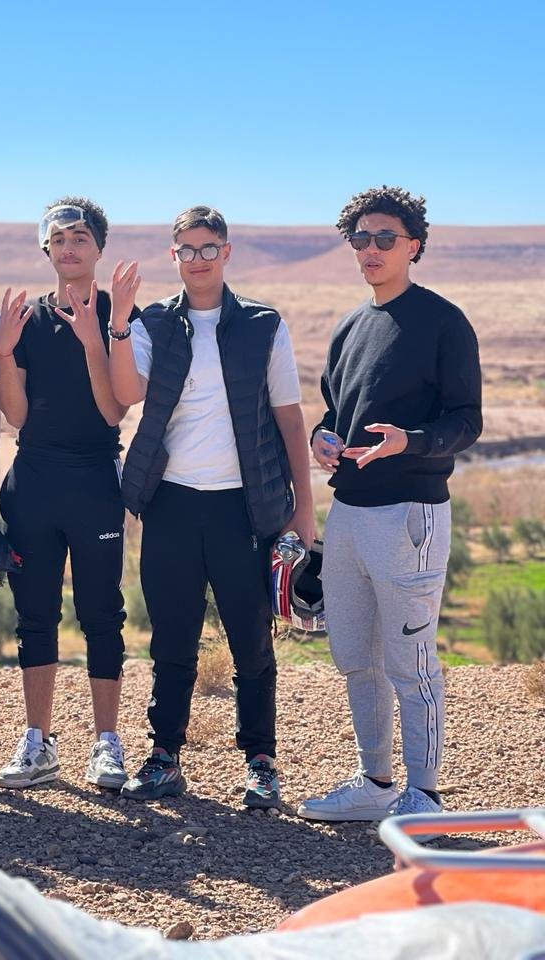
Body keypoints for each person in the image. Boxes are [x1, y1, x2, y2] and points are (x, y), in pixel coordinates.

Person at [110, 206, 314, 809]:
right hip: (170, 503)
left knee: (252, 642)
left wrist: (303, 510)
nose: (197, 260)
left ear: (226, 252)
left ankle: (261, 763)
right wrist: (119, 321)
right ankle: (163, 757)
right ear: (173, 256)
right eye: (186, 250)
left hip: (244, 508)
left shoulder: (263, 325)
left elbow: (289, 419)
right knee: (171, 639)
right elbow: (127, 393)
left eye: (208, 248)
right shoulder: (153, 322)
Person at [298, 186, 481, 824]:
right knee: (355, 657)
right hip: (348, 512)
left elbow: (467, 421)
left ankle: (423, 795)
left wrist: (412, 442)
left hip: (410, 512)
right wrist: (323, 437)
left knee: (411, 660)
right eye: (361, 239)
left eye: (385, 239)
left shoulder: (444, 322)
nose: (371, 250)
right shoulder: (350, 326)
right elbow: (336, 409)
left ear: (414, 246)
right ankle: (375, 782)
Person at [0, 198, 140, 791]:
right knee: (35, 615)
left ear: (98, 248)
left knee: (102, 613)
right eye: (59, 239)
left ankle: (107, 743)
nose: (70, 248)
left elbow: (114, 410)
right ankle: (37, 741)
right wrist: (4, 351)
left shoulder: (119, 314)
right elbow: (15, 415)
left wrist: (93, 339)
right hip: (34, 482)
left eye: (80, 238)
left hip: (95, 481)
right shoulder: (27, 319)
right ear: (46, 250)